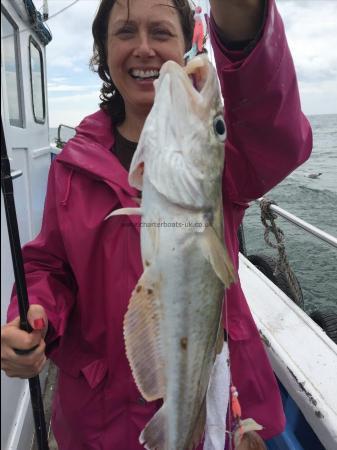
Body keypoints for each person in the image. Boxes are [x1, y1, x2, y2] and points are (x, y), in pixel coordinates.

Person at [1, 0, 312, 449]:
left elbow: (275, 132)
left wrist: (242, 24)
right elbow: (50, 264)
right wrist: (35, 316)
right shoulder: (71, 165)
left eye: (162, 33)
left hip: (212, 401)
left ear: (186, 45)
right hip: (99, 418)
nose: (144, 48)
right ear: (103, 52)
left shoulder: (228, 167)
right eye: (125, 32)